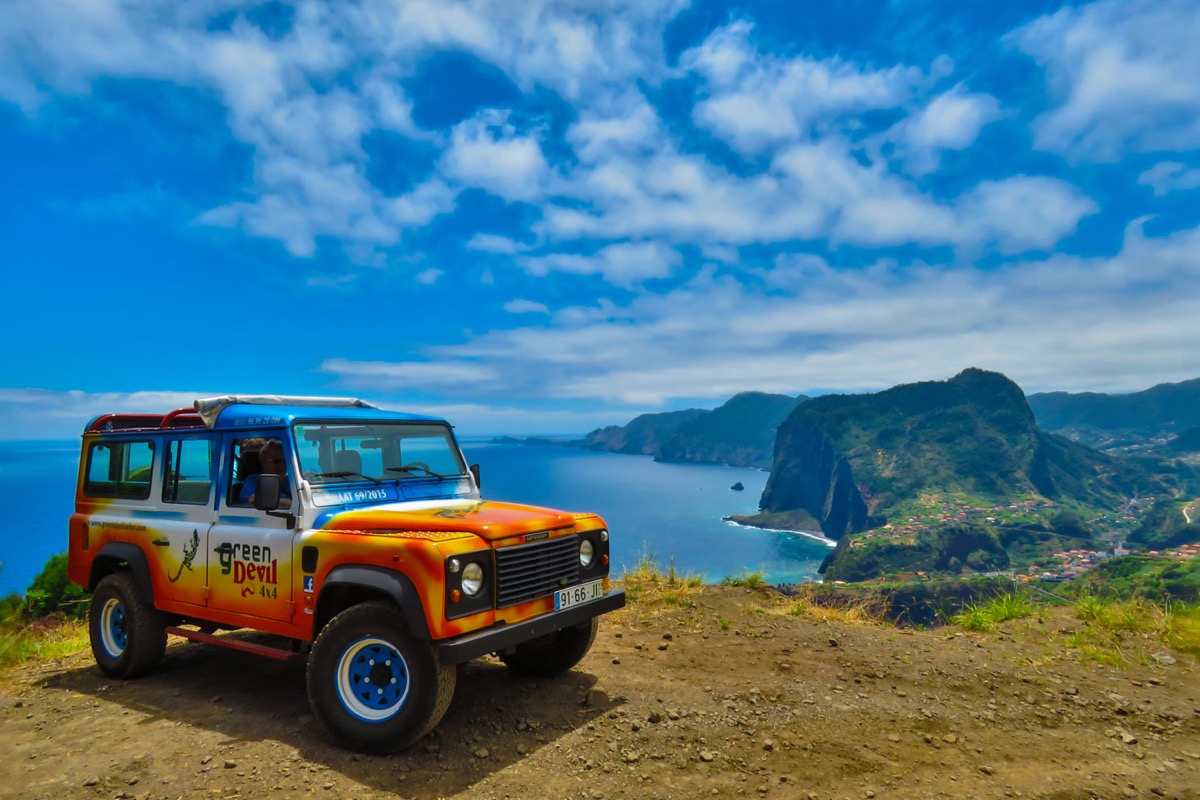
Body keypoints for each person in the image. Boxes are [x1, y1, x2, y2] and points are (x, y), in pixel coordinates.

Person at [241, 440, 291, 506]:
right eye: (277, 461)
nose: (282, 465)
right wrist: (284, 502)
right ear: (263, 461)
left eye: (285, 462)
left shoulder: (290, 481)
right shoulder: (253, 481)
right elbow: (254, 500)